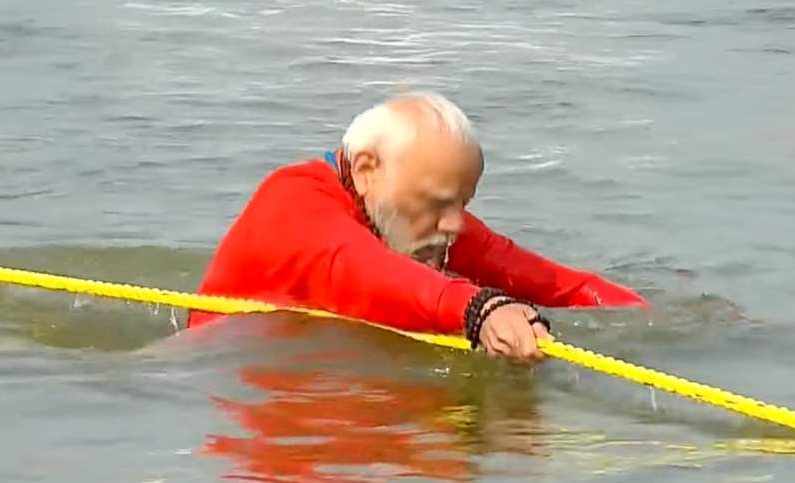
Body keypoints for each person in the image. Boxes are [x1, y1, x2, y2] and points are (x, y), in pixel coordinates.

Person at [188, 92, 649, 362]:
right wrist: (483, 309)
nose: (455, 224)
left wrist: (646, 318)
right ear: (366, 170)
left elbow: (557, 284)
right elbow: (363, 268)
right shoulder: (293, 205)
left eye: (463, 204)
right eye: (438, 203)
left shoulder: (405, 215)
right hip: (228, 377)